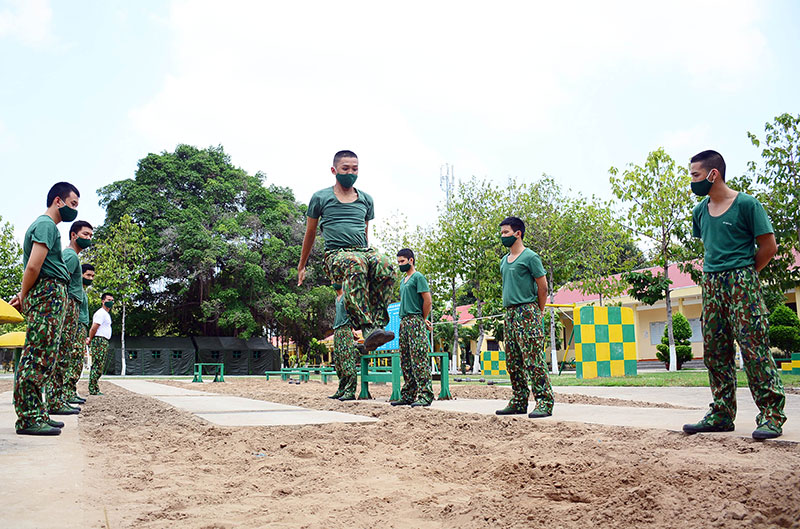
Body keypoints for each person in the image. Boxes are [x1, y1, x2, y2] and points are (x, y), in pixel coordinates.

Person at [683, 150, 786, 440]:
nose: (692, 181)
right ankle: (721, 413)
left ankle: (771, 415)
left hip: (742, 281)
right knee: (716, 351)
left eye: (696, 175)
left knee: (753, 349)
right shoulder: (700, 211)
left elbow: (769, 247)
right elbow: (710, 245)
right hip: (711, 283)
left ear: (713, 174)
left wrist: (745, 273)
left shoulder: (747, 204)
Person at [297, 150, 395, 351]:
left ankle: (377, 324)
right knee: (355, 262)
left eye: (355, 169)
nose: (350, 172)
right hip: (335, 254)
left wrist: (372, 263)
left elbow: (365, 233)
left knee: (385, 263)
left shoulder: (366, 200)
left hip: (361, 251)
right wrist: (302, 265)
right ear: (334, 170)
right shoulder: (320, 197)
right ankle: (367, 327)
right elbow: (311, 232)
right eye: (345, 168)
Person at [10, 182, 80, 436]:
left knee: (46, 356)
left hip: (53, 294)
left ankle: (37, 412)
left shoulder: (50, 228)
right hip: (47, 294)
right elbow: (33, 267)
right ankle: (28, 417)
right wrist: (24, 295)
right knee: (38, 355)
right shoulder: (46, 225)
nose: (74, 210)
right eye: (72, 204)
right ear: (58, 201)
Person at [495, 217, 553, 418]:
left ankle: (544, 401)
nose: (502, 236)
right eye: (501, 233)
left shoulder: (530, 257)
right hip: (509, 313)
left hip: (528, 312)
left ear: (517, 233)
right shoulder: (504, 260)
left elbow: (543, 286)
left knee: (533, 359)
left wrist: (539, 310)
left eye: (506, 233)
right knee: (512, 360)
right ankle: (519, 400)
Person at [45, 220, 93, 415]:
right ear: (73, 235)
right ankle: (55, 401)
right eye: (85, 234)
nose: (89, 238)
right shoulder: (70, 256)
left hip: (72, 307)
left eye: (91, 235)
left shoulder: (73, 256)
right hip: (68, 306)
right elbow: (60, 282)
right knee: (63, 355)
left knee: (66, 355)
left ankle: (59, 399)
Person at [391, 248, 434, 407]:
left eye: (402, 261)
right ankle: (409, 394)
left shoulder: (418, 277)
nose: (400, 264)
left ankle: (425, 395)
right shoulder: (403, 281)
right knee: (406, 360)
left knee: (419, 359)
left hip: (415, 321)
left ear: (411, 260)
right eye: (398, 262)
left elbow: (427, 301)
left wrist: (422, 319)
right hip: (404, 322)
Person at [64, 262, 95, 405]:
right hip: (76, 326)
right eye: (88, 275)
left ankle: (71, 391)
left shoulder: (83, 292)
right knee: (74, 359)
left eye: (93, 276)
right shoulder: (75, 290)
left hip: (82, 326)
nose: (91, 278)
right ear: (80, 275)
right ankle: (67, 393)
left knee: (77, 361)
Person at [330, 283, 360, 401]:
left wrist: (351, 329)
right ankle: (341, 389)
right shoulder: (337, 299)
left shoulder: (346, 297)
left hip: (345, 330)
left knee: (347, 361)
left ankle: (350, 391)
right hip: (337, 330)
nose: (334, 283)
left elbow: (353, 314)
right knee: (338, 362)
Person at [88, 292, 114, 395]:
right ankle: (93, 389)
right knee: (97, 364)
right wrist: (90, 338)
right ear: (103, 301)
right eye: (108, 300)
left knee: (100, 365)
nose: (111, 302)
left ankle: (94, 387)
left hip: (104, 341)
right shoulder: (100, 313)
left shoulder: (106, 314)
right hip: (99, 340)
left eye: (112, 301)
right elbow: (94, 327)